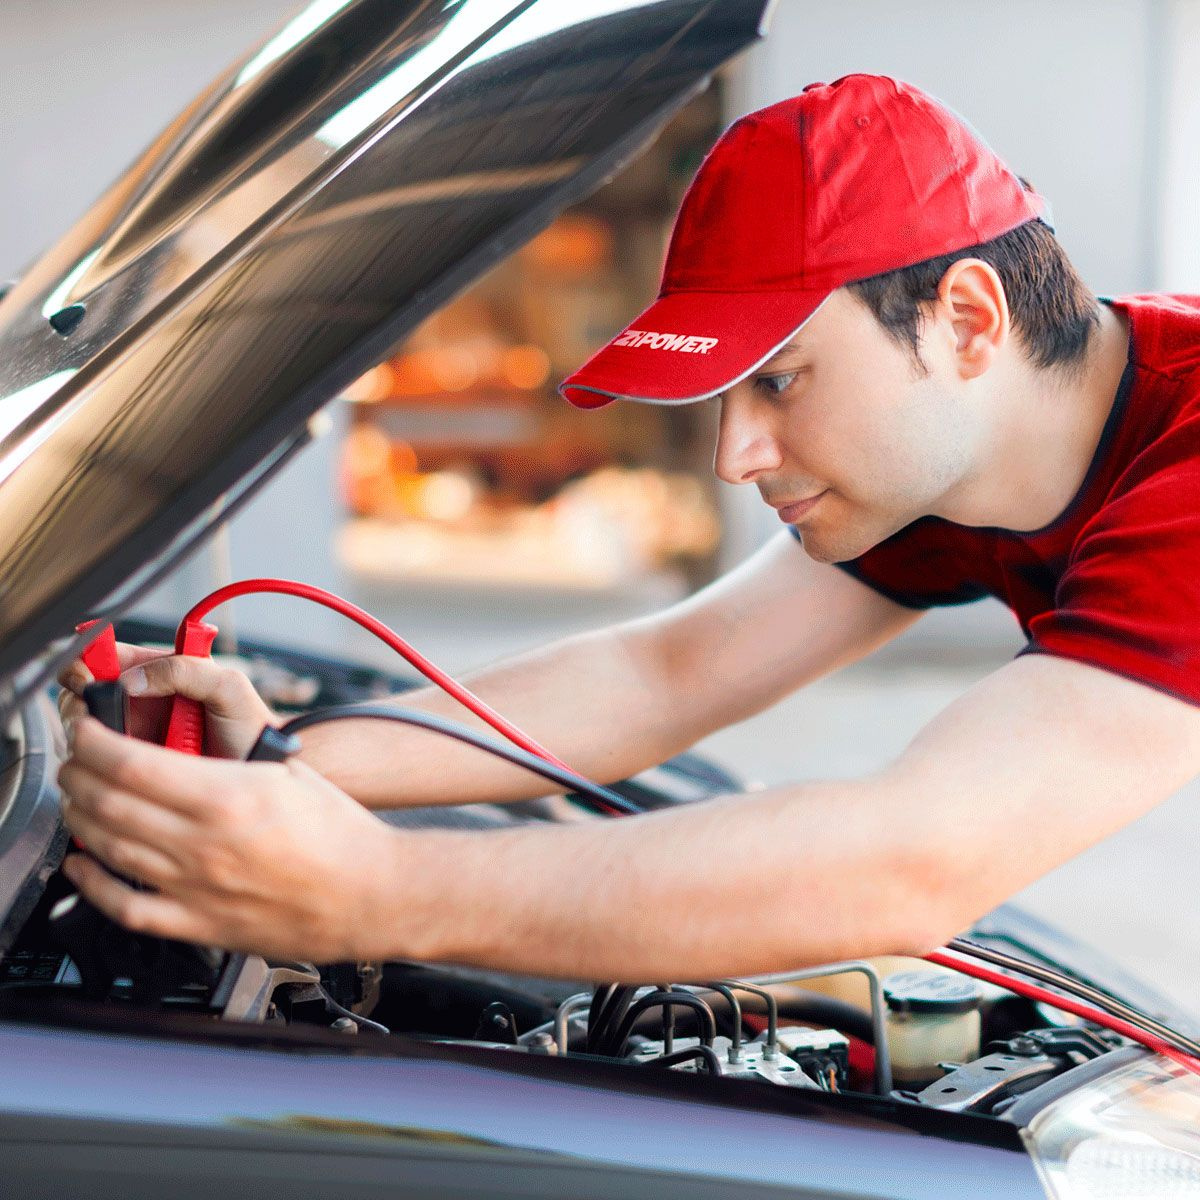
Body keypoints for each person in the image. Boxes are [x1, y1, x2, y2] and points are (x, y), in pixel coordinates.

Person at [55, 75, 1200, 981]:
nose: (733, 456)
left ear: (964, 317)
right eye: (723, 401)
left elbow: (911, 860)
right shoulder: (949, 465)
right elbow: (668, 669)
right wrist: (287, 764)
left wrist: (380, 894)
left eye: (783, 382)